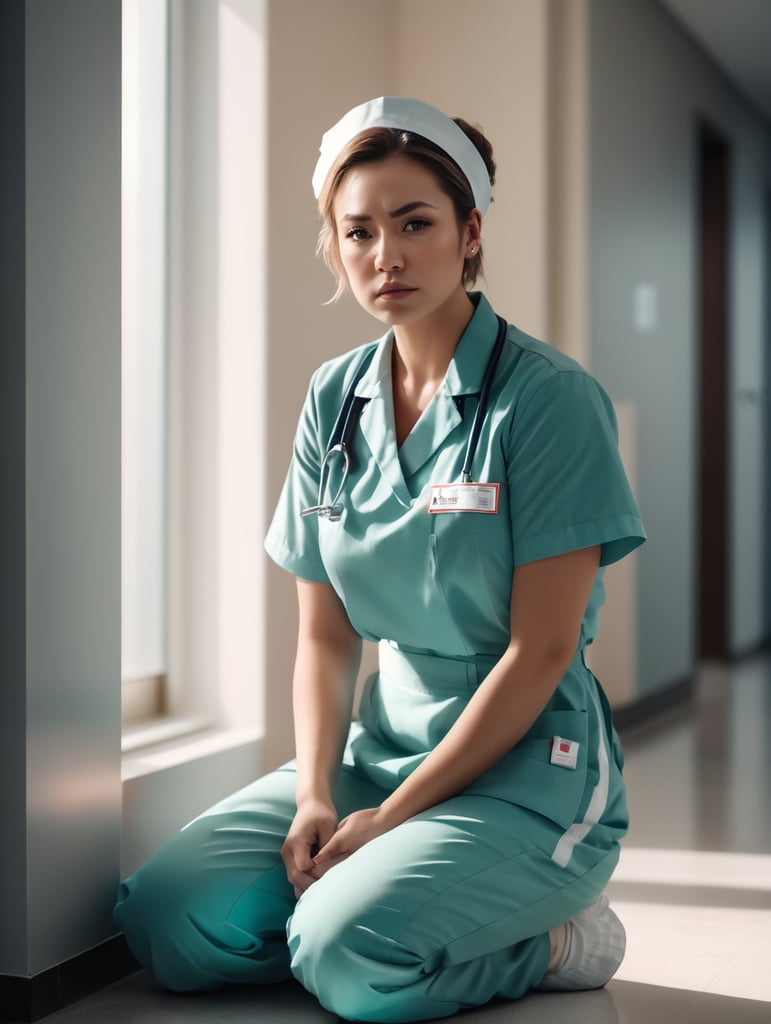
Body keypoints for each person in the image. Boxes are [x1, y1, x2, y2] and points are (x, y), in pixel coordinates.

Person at [114, 96, 646, 1022]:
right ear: (335, 246)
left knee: (348, 958)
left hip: (526, 765)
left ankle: (561, 937)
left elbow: (541, 651)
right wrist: (316, 793)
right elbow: (323, 637)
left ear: (469, 232)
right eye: (357, 231)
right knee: (170, 923)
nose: (386, 256)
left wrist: (390, 825)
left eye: (415, 224)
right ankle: (392, 910)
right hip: (380, 748)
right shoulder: (334, 399)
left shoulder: (548, 400)